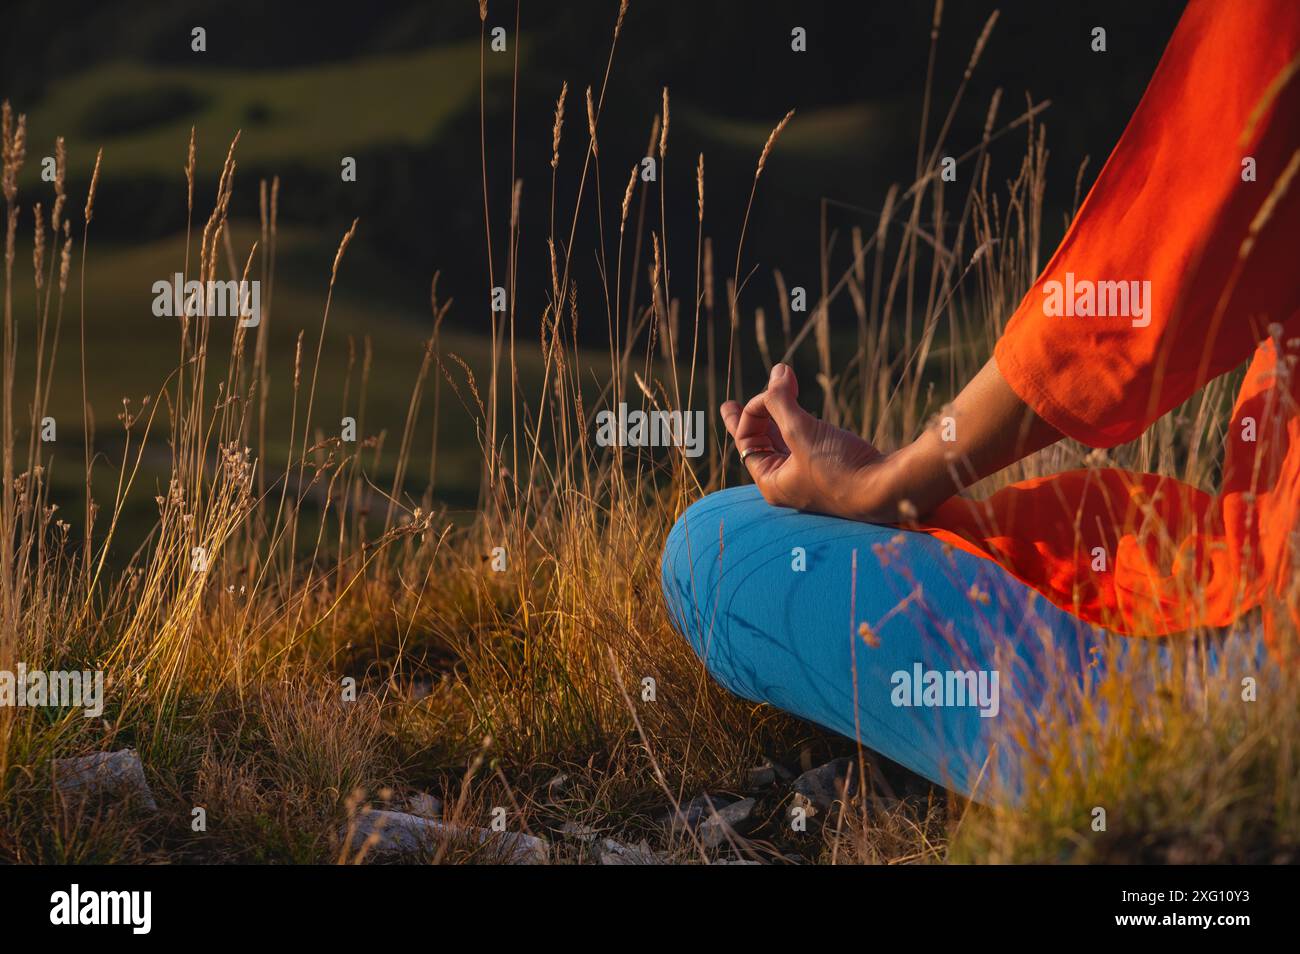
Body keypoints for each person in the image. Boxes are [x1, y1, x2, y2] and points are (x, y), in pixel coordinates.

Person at [661, 0, 1300, 802]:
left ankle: (1166, 765)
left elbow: (1156, 266)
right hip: (1244, 577)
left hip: (1260, 658)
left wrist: (891, 482)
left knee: (716, 549)